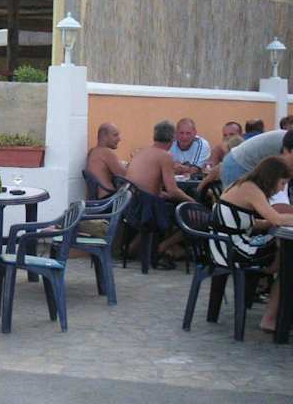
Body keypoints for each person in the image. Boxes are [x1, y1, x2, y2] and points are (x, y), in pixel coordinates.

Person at [207, 156, 293, 332]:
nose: (282, 188)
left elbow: (246, 221)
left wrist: (269, 223)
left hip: (223, 244)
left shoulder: (243, 184)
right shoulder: (251, 189)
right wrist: (277, 221)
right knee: (288, 261)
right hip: (232, 249)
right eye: (282, 183)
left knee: (283, 255)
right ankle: (272, 317)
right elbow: (276, 218)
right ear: (272, 177)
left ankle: (271, 296)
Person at [126, 120, 196, 266]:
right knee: (192, 215)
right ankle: (161, 248)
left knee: (166, 207)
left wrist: (162, 194)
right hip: (147, 208)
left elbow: (149, 185)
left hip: (132, 204)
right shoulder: (165, 156)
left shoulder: (141, 152)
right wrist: (193, 202)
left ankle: (133, 248)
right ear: (173, 138)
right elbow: (173, 190)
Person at [221, 129, 293, 190]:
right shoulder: (286, 141)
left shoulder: (287, 139)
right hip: (236, 164)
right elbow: (286, 167)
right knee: (236, 199)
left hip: (242, 162)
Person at [85, 122, 128, 198]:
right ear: (104, 136)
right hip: (108, 199)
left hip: (96, 199)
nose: (119, 139)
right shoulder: (106, 152)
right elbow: (126, 176)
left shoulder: (92, 152)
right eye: (115, 135)